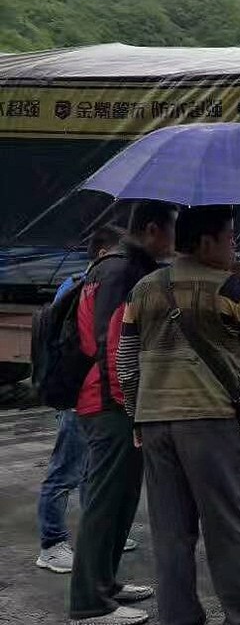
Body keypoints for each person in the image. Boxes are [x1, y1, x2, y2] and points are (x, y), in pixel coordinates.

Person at [117, 205, 240, 625]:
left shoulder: (144, 288)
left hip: (156, 424)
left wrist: (138, 414)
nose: (235, 244)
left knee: (171, 534)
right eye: (230, 237)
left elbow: (126, 360)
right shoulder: (229, 286)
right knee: (228, 527)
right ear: (208, 242)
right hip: (210, 420)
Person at [68, 201, 177, 625]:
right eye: (171, 232)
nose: (174, 241)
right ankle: (88, 605)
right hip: (110, 403)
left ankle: (105, 583)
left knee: (122, 497)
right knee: (104, 500)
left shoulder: (116, 267)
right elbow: (115, 345)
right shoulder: (123, 272)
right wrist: (131, 408)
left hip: (111, 400)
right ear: (152, 230)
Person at [35, 225, 129, 574]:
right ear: (103, 253)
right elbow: (76, 342)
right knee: (65, 471)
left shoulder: (100, 285)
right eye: (120, 254)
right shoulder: (78, 286)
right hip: (79, 393)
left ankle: (95, 530)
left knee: (92, 470)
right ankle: (51, 543)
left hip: (96, 394)